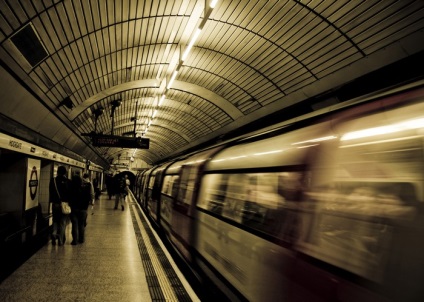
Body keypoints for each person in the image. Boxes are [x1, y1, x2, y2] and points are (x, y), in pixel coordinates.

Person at [49, 165, 71, 246]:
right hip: (64, 205)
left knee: (55, 220)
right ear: (65, 172)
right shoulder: (68, 181)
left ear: (57, 171)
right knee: (62, 222)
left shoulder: (53, 180)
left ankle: (54, 233)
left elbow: (50, 192)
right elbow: (70, 194)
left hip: (55, 204)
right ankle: (61, 241)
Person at [69, 173, 94, 245]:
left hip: (74, 209)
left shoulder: (72, 188)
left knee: (74, 224)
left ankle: (74, 240)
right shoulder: (87, 186)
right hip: (83, 209)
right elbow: (90, 196)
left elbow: (70, 198)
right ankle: (81, 239)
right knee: (81, 224)